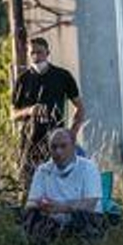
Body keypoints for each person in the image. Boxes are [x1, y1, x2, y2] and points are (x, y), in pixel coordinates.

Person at [11, 35, 84, 182]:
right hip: (29, 143)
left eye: (40, 52)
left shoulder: (63, 76)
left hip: (56, 143)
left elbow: (80, 108)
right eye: (32, 53)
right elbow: (12, 114)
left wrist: (72, 133)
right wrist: (29, 111)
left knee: (57, 183)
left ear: (47, 53)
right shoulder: (23, 79)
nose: (36, 57)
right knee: (29, 184)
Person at [22, 127, 104, 243]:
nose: (58, 152)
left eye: (63, 146)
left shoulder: (88, 168)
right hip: (51, 220)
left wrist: (61, 207)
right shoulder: (43, 170)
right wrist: (41, 205)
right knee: (30, 215)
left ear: (73, 147)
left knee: (84, 216)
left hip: (82, 220)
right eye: (54, 147)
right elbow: (30, 203)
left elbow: (90, 204)